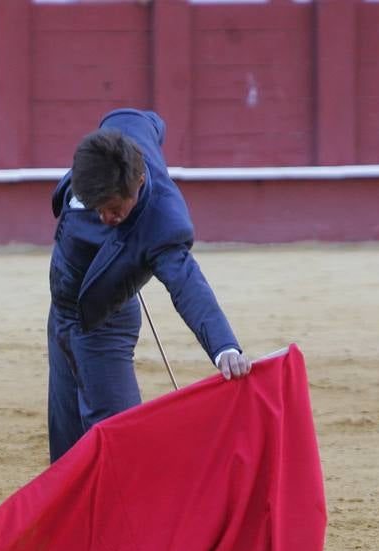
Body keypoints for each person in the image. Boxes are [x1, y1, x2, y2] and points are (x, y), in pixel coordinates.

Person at [46, 108, 251, 463]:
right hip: (60, 316)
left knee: (121, 447)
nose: (105, 218)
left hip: (101, 326)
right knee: (66, 448)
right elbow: (149, 120)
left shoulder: (163, 223)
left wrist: (224, 347)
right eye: (96, 208)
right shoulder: (121, 131)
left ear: (139, 182)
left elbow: (188, 285)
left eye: (114, 209)